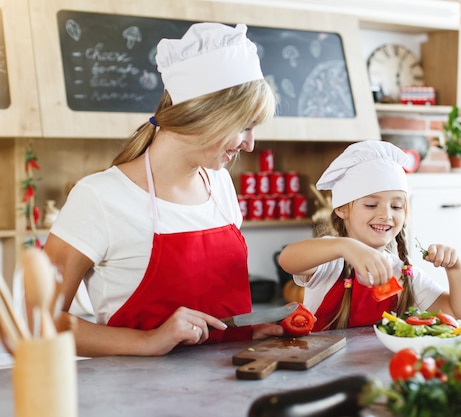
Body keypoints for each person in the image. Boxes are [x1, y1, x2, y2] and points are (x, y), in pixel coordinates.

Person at [43, 22, 284, 357]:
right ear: (204, 115)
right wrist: (147, 340)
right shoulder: (99, 197)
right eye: (244, 126)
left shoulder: (220, 186)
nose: (250, 144)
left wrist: (245, 330)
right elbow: (36, 320)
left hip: (231, 392)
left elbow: (215, 310)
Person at [278, 141, 461, 331]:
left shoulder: (403, 274)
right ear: (341, 209)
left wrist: (454, 267)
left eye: (396, 206)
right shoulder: (331, 261)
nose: (386, 215)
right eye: (371, 205)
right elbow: (288, 259)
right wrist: (346, 247)